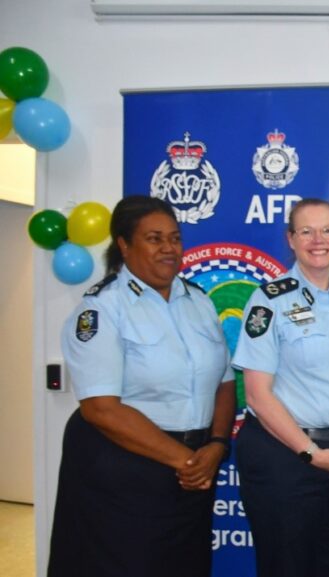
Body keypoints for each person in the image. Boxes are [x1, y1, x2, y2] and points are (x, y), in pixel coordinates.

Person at [49, 196, 235, 577]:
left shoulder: (198, 301)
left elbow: (224, 381)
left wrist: (216, 445)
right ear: (124, 244)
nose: (169, 248)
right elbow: (101, 409)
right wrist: (186, 461)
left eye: (175, 238)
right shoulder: (102, 309)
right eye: (154, 238)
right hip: (124, 468)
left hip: (192, 470)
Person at [232, 198, 329, 577]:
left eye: (328, 230)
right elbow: (257, 395)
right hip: (288, 458)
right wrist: (310, 453)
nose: (319, 240)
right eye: (307, 231)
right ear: (291, 239)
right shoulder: (268, 301)